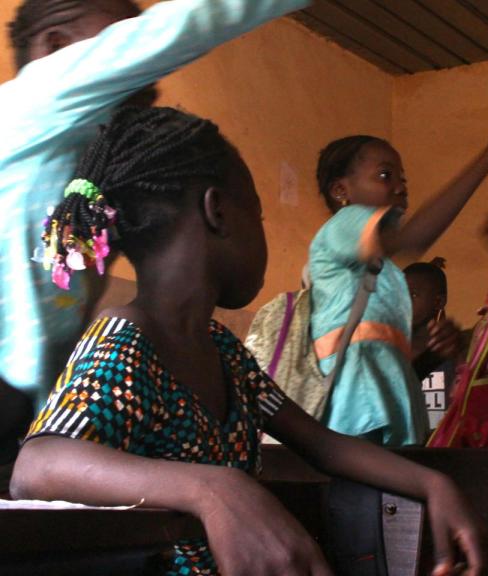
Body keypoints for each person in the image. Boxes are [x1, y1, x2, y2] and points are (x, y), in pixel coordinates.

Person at [12, 106, 486, 576]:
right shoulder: (130, 338)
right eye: (257, 214)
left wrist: (431, 483)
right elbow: (38, 465)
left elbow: (322, 444)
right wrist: (216, 490)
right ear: (217, 211)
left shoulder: (222, 350)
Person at [0, 0, 310, 413]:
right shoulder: (37, 96)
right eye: (124, 40)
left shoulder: (89, 176)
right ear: (56, 46)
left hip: (24, 395)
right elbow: (192, 20)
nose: (151, 77)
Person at [309, 85, 488, 445]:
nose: (401, 188)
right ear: (341, 190)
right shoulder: (344, 225)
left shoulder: (383, 272)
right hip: (355, 416)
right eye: (385, 176)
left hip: (383, 416)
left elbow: (378, 346)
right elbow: (415, 238)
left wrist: (426, 347)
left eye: (403, 180)